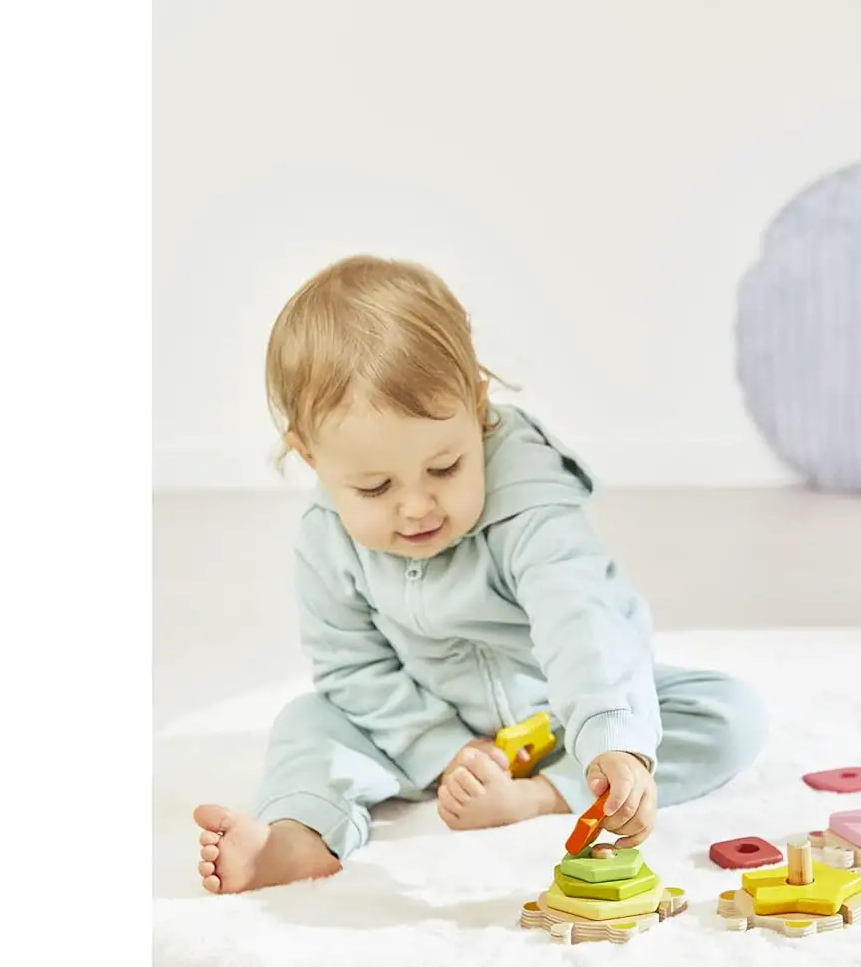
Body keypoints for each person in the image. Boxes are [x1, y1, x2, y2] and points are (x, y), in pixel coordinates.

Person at [194, 255, 765, 893]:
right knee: (307, 724)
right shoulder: (326, 538)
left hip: (558, 718)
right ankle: (299, 836)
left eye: (445, 468)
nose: (417, 506)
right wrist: (446, 752)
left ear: (477, 406)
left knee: (728, 712)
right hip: (420, 720)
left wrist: (612, 743)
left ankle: (545, 794)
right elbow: (352, 668)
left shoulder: (530, 501)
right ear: (310, 455)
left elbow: (582, 621)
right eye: (375, 487)